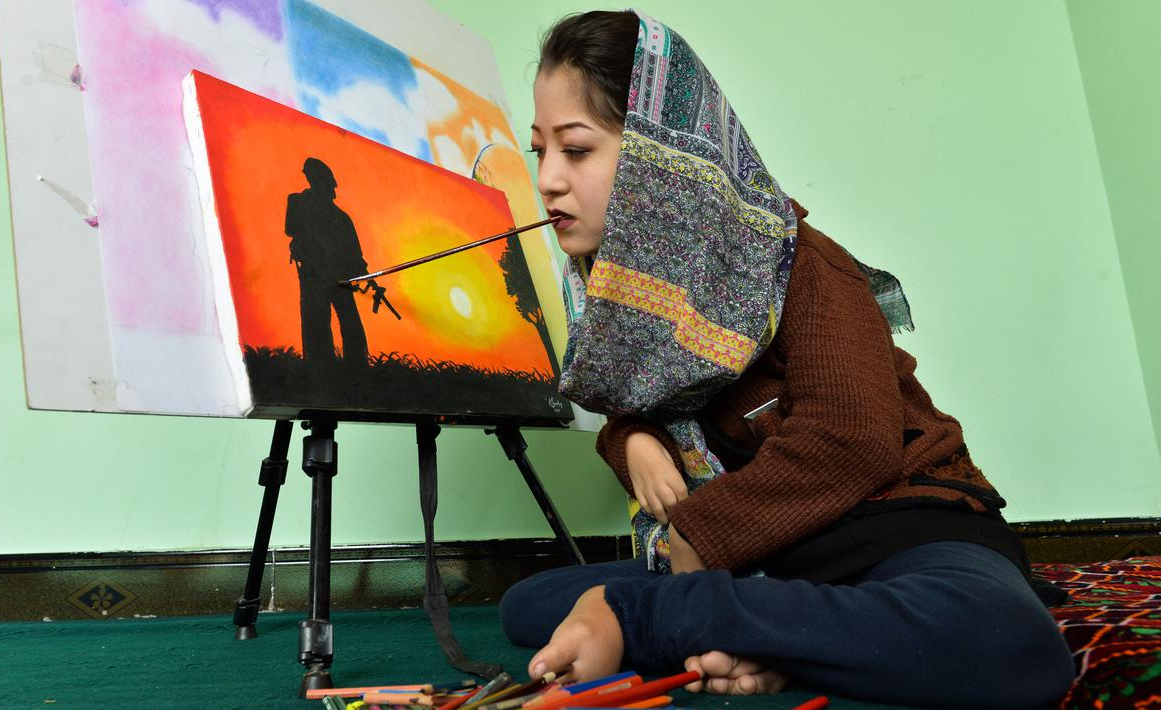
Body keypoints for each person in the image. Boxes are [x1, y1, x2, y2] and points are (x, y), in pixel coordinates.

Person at [499, 10, 1076, 708]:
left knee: (1003, 642)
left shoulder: (799, 263)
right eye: (539, 152)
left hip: (890, 523)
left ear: (663, 161)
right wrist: (633, 438)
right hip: (768, 556)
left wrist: (697, 534)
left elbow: (850, 440)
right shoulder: (616, 296)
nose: (548, 180)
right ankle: (786, 636)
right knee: (527, 605)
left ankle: (687, 623)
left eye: (577, 150)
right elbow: (636, 405)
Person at [284, 157, 369, 369]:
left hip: (339, 276)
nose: (330, 186)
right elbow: (291, 229)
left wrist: (362, 273)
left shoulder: (341, 217)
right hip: (314, 274)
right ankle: (320, 365)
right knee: (316, 322)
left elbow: (354, 252)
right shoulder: (297, 202)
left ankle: (357, 365)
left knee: (350, 322)